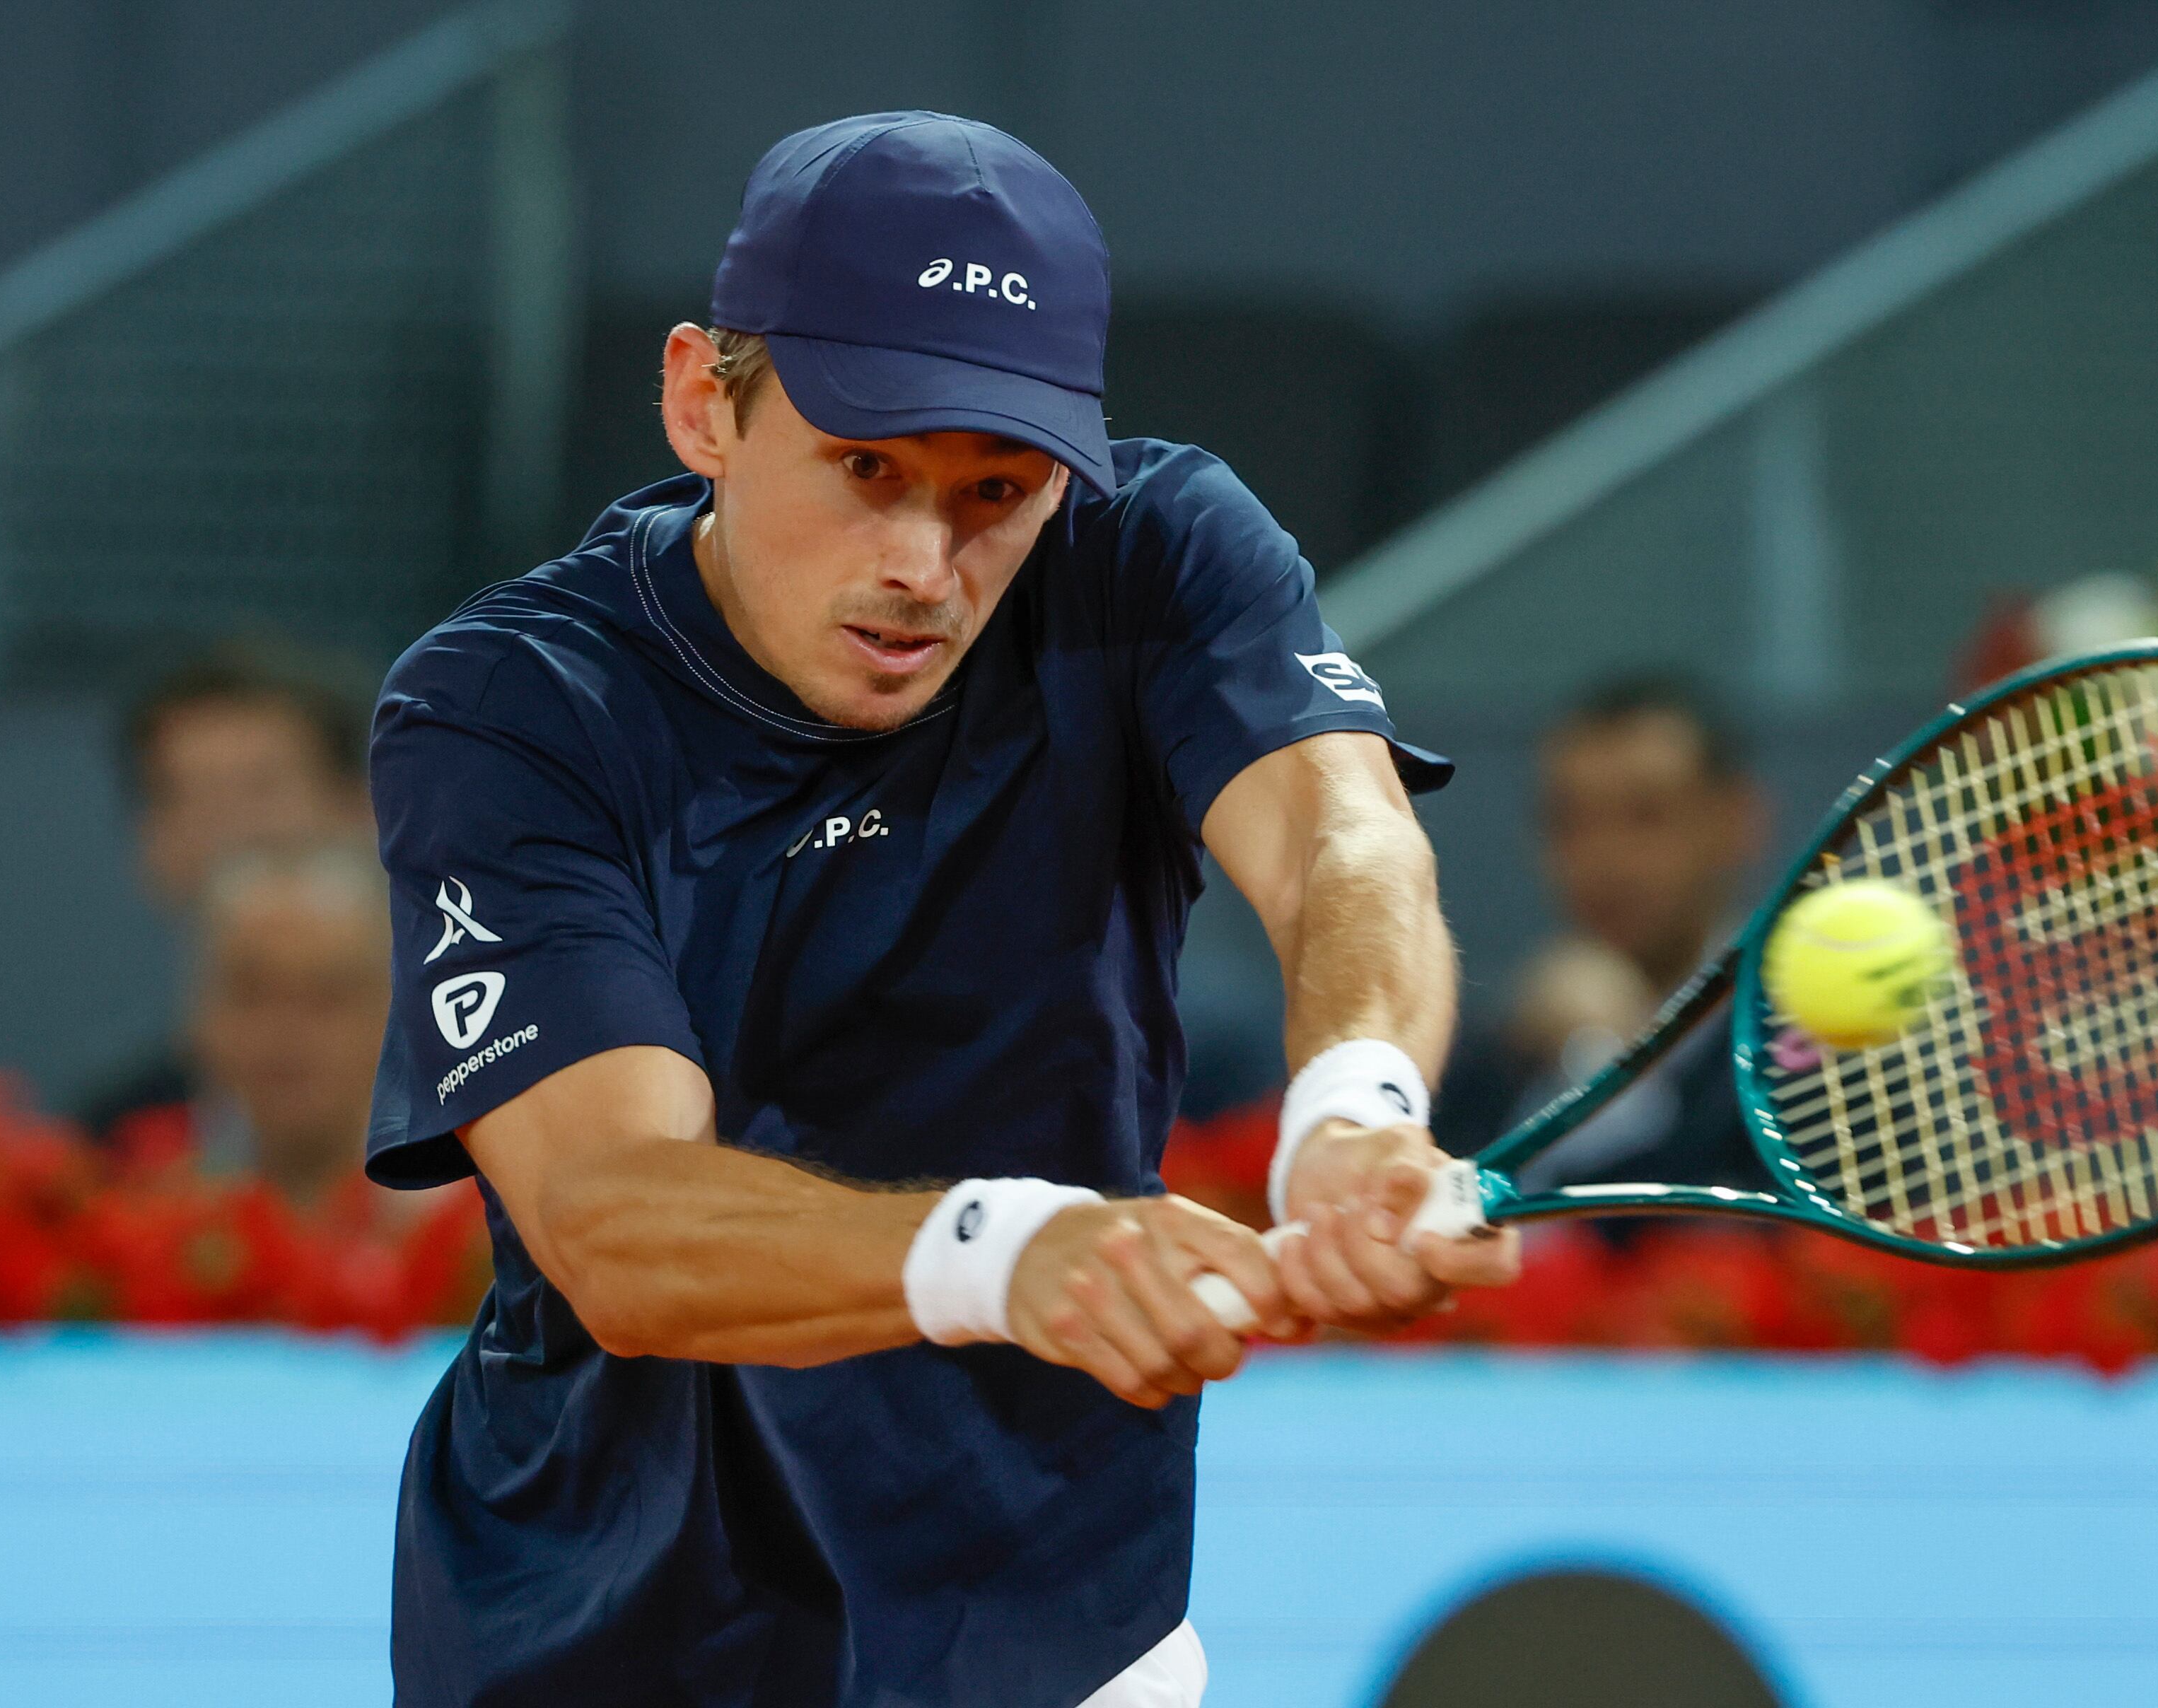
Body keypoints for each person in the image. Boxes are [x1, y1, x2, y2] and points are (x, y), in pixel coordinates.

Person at [364, 112, 1518, 1708]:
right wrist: (1009, 1248)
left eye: (996, 488)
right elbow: (615, 1218)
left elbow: (1345, 840)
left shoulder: (1156, 552)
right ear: (706, 398)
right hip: (607, 1636)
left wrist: (1355, 1104)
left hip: (1059, 1627)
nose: (923, 562)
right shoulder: (511, 708)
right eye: (863, 467)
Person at [1448, 676, 1771, 1199]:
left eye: (1646, 816)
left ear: (1738, 823)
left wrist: (1600, 1059)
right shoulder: (1493, 1063)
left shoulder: (1802, 1066)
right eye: (1569, 822)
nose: (1605, 859)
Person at [77, 648, 375, 1135]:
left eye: (260, 788)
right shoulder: (112, 1145)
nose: (228, 829)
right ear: (149, 844)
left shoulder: (487, 1106)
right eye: (191, 795)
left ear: (364, 814)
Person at [108, 846, 399, 1211]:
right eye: (253, 993)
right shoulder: (132, 1201)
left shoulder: (473, 1227)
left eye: (327, 995)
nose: (286, 1031)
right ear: (198, 1015)